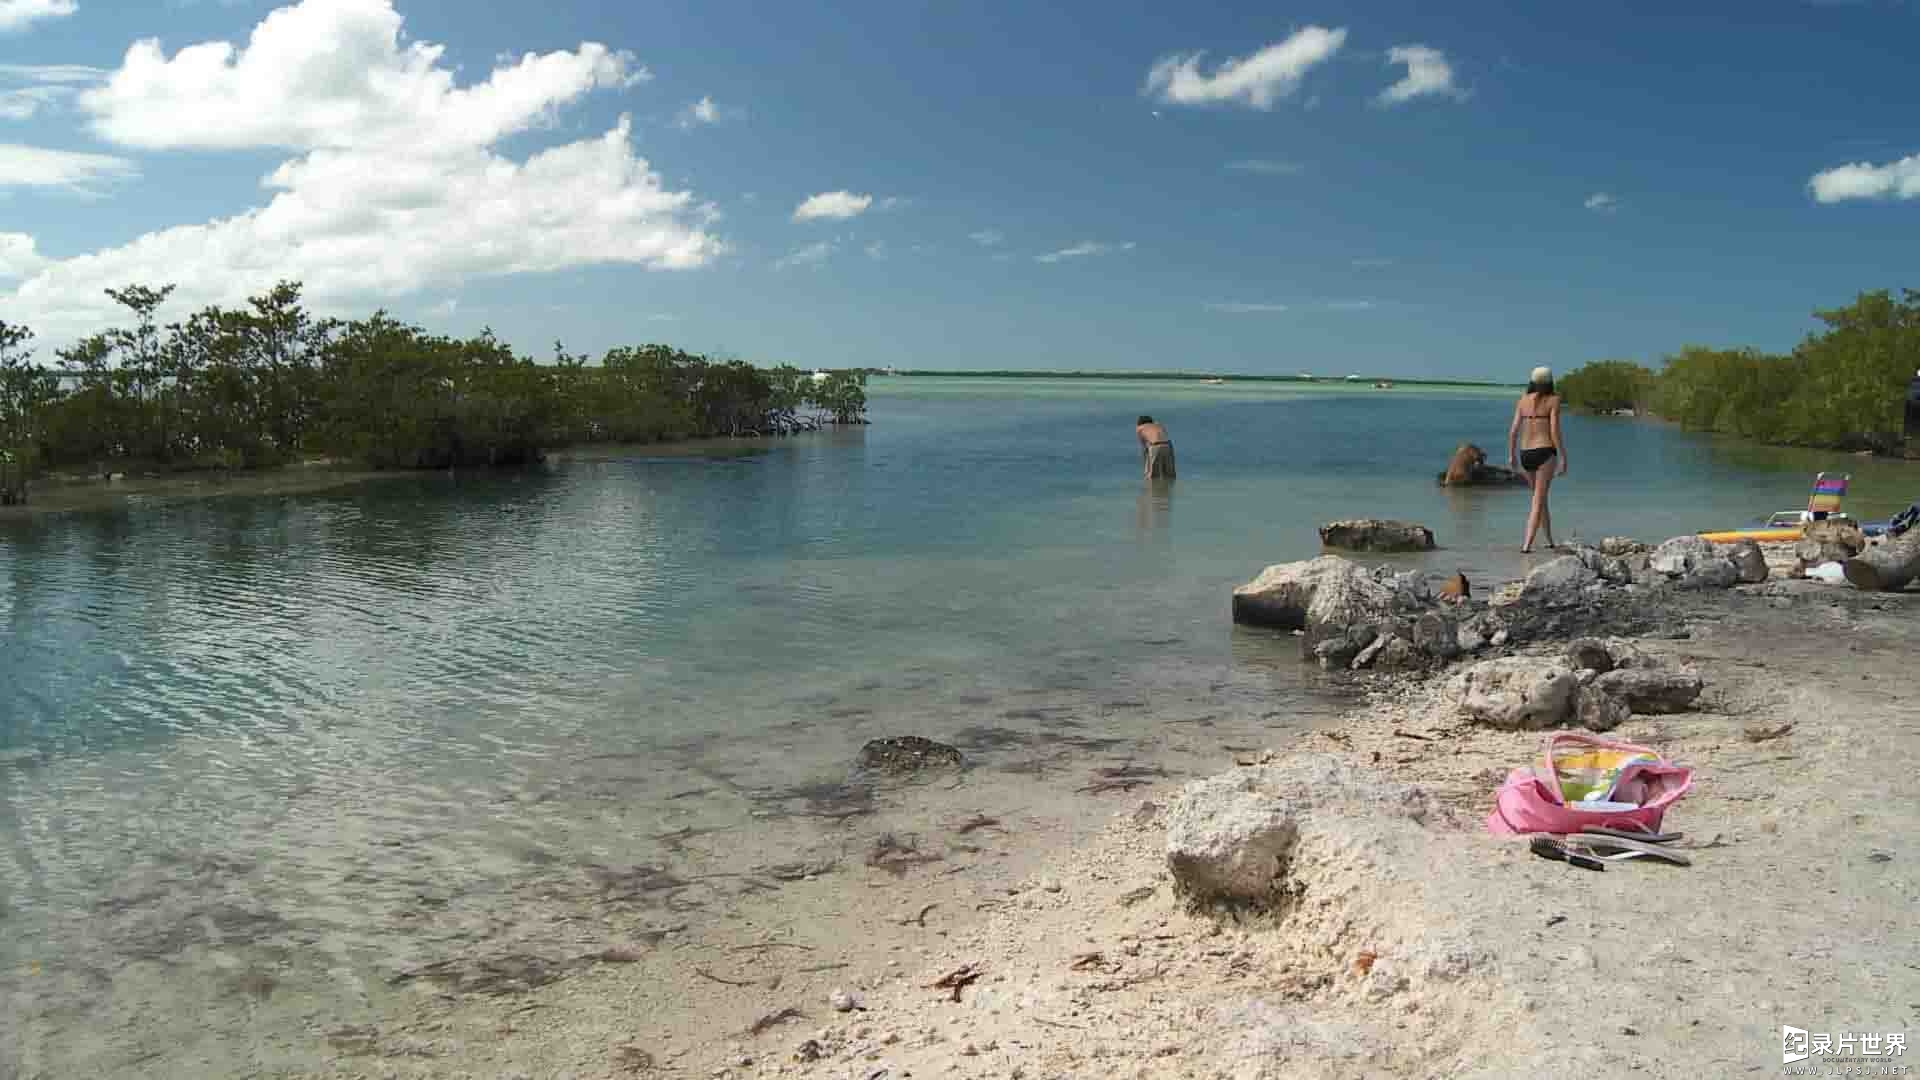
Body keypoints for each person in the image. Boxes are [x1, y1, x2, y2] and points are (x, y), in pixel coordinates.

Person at [1508, 366, 1567, 553]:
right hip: (1544, 452)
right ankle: (1526, 545)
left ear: (1532, 381)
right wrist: (1562, 456)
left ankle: (1549, 539)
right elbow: (1554, 431)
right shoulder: (1554, 400)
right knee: (1538, 500)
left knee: (1540, 499)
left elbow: (1513, 432)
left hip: (1525, 453)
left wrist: (1511, 456)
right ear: (1550, 382)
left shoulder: (1522, 401)